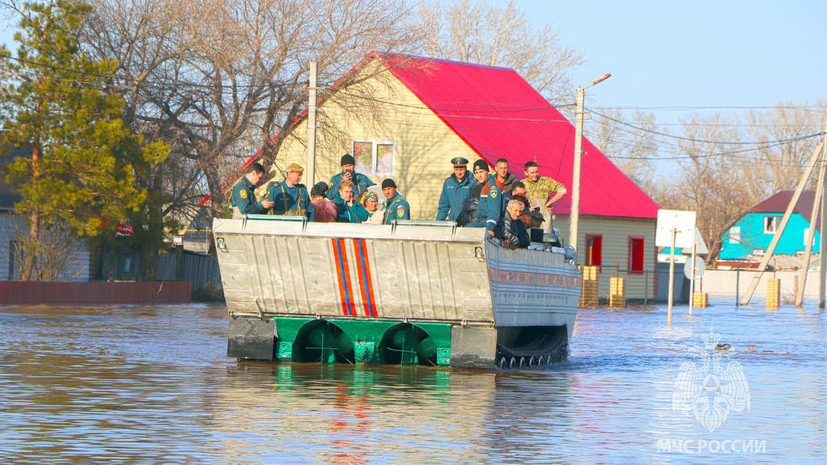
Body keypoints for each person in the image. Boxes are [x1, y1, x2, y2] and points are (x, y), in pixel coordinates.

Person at [522, 161, 566, 233]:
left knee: (545, 238)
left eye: (536, 172)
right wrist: (527, 209)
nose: (535, 174)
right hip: (529, 217)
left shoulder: (546, 181)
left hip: (544, 216)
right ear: (526, 173)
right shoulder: (522, 184)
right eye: (532, 173)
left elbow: (563, 190)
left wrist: (549, 202)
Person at [464, 160, 502, 235]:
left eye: (481, 172)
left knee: (468, 228)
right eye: (477, 173)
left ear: (487, 172)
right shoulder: (484, 185)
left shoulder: (492, 186)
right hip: (484, 220)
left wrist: (490, 228)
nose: (479, 175)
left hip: (493, 224)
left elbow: (494, 209)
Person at [436, 156, 475, 222]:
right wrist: (439, 222)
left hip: (468, 222)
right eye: (456, 170)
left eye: (461, 170)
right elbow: (444, 205)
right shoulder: (448, 183)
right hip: (452, 221)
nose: (459, 173)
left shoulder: (473, 183)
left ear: (465, 169)